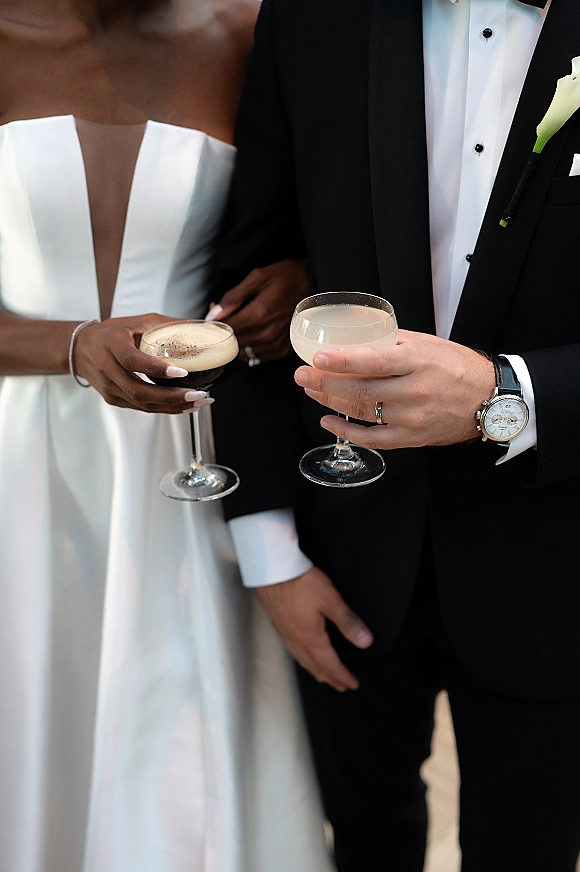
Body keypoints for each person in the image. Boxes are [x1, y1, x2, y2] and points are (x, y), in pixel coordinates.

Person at [210, 0, 580, 869]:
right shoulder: (308, 19)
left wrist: (509, 395)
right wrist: (268, 548)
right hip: (341, 556)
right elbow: (249, 282)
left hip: (560, 563)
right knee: (363, 838)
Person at [0, 1, 333, 870]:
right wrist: (72, 346)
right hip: (17, 466)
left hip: (195, 464)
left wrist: (297, 273)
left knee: (180, 755)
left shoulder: (249, 33)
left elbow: (301, 209)